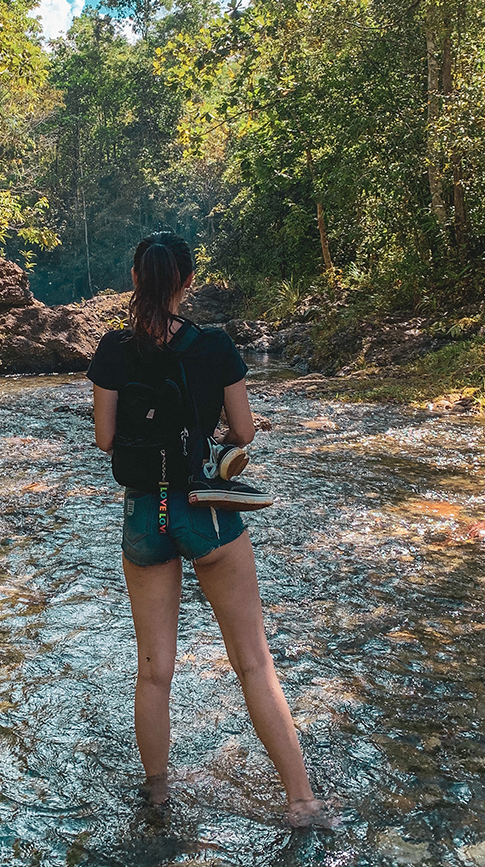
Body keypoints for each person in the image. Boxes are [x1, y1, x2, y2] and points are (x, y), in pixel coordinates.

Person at [87, 231, 331, 827]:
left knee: (154, 671)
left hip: (145, 514)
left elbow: (105, 439)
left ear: (136, 279)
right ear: (188, 282)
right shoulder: (215, 345)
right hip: (207, 510)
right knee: (254, 663)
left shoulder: (114, 348)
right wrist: (214, 436)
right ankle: (301, 802)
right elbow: (243, 432)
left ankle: (158, 797)